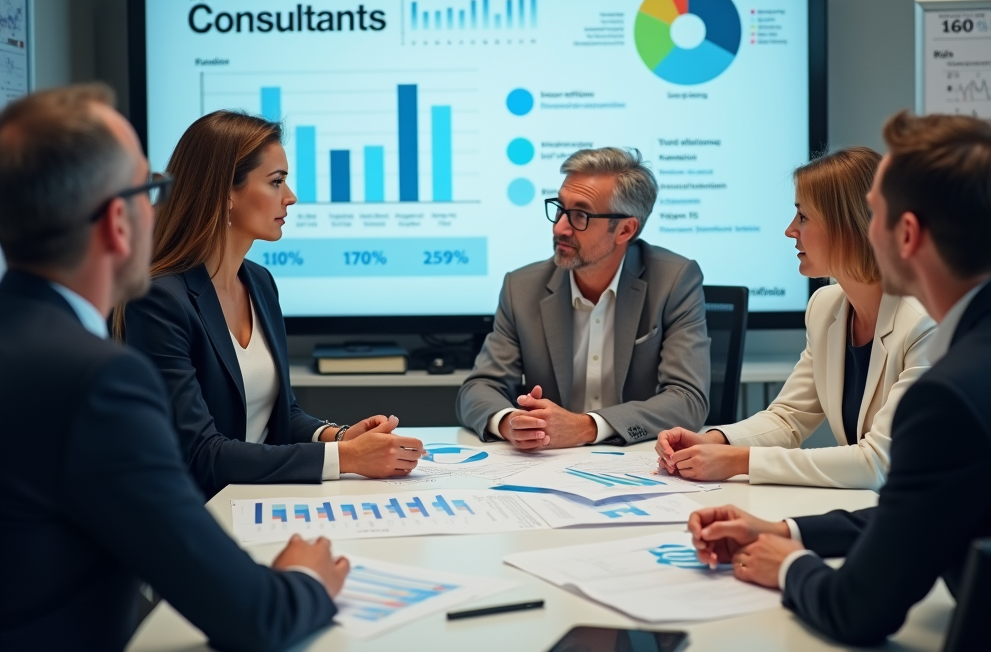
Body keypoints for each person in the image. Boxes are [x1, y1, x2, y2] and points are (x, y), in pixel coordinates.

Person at [0, 85, 347, 650]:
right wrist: (308, 578)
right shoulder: (97, 381)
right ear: (118, 221)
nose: (161, 207)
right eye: (151, 190)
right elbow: (253, 616)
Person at [686, 112, 991, 645]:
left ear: (906, 235)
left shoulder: (950, 395)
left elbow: (858, 610)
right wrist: (786, 530)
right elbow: (922, 511)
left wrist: (790, 564)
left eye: (872, 216)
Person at [122, 111, 423, 499]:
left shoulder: (259, 282)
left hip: (260, 498)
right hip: (200, 514)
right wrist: (346, 458)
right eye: (276, 181)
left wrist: (341, 436)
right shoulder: (160, 300)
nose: (291, 197)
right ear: (225, 192)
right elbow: (200, 454)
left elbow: (280, 415)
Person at [656, 148, 935, 489]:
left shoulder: (924, 321)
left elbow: (878, 462)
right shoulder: (825, 306)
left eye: (803, 217)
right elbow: (788, 419)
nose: (790, 231)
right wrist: (715, 441)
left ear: (847, 224)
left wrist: (740, 461)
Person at [457, 147, 710, 448]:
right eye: (560, 209)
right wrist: (510, 421)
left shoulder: (674, 281)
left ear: (625, 229)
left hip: (638, 464)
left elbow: (688, 399)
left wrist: (587, 427)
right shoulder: (521, 287)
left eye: (580, 215)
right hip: (547, 466)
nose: (559, 227)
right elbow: (478, 388)